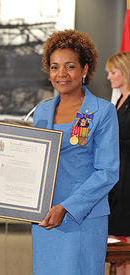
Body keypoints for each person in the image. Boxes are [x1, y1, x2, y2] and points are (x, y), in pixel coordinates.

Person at [31, 29, 119, 275]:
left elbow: (107, 172)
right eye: (54, 67)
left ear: (84, 69)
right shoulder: (41, 111)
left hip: (82, 217)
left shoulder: (102, 112)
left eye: (69, 66)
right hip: (44, 218)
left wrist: (67, 207)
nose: (61, 74)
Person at [106, 51, 130, 275]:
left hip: (128, 178)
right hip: (117, 174)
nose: (109, 77)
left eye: (113, 72)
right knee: (116, 249)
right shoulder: (119, 100)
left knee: (126, 245)